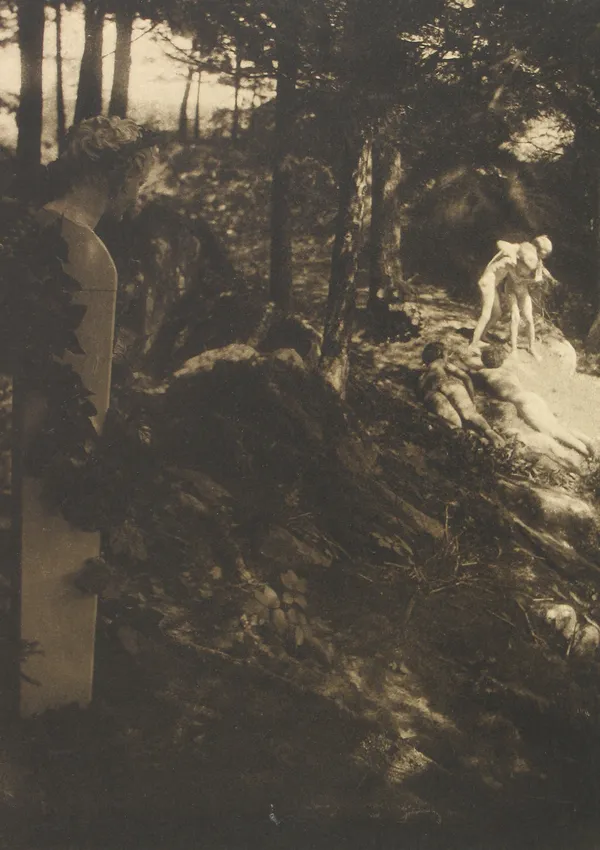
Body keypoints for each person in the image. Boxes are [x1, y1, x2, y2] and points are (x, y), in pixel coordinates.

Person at [475, 345, 596, 457]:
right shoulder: (506, 369)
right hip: (531, 397)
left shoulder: (485, 373)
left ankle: (586, 451)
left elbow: (471, 366)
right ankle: (589, 441)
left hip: (524, 402)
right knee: (556, 424)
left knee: (552, 431)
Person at [469, 236, 552, 357]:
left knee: (497, 313)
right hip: (487, 282)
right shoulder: (511, 259)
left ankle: (482, 335)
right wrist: (532, 279)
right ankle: (473, 344)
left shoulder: (522, 256)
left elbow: (528, 269)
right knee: (486, 314)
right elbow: (500, 243)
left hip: (492, 284)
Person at [419, 341, 504, 447]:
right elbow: (466, 378)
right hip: (450, 385)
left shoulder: (423, 373)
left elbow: (421, 390)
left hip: (433, 392)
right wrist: (472, 399)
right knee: (471, 414)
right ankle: (489, 432)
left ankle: (475, 437)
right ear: (441, 354)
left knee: (455, 423)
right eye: (446, 354)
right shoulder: (444, 363)